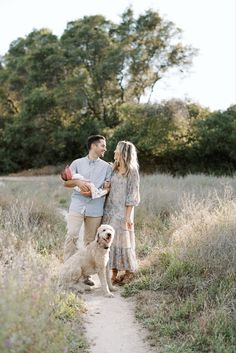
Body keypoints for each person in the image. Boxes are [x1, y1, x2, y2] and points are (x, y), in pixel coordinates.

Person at [63, 135, 112, 286]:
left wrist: (95, 193)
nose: (105, 148)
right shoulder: (77, 163)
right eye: (102, 145)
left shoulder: (106, 167)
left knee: (90, 241)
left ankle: (86, 275)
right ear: (93, 146)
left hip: (95, 208)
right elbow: (66, 182)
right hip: (77, 205)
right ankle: (67, 270)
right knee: (71, 236)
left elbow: (107, 187)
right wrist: (77, 181)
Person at [102, 141, 140, 285]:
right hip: (109, 210)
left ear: (124, 152)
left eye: (117, 150)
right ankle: (114, 272)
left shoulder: (132, 171)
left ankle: (129, 272)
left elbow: (133, 195)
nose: (114, 152)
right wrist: (106, 185)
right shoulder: (113, 168)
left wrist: (128, 216)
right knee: (110, 241)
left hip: (123, 211)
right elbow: (107, 186)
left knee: (125, 241)